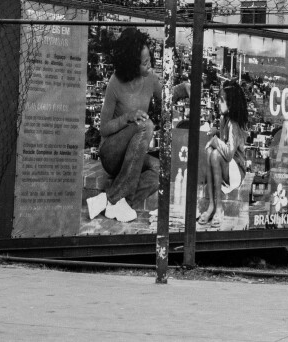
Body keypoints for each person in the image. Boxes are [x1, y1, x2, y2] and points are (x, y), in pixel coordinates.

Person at [86, 28, 188, 222]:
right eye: (145, 62)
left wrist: (184, 88)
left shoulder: (150, 79)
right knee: (146, 124)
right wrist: (128, 117)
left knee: (161, 171)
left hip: (133, 156)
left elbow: (167, 96)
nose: (150, 64)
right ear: (132, 63)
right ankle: (115, 200)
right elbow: (104, 128)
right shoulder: (115, 83)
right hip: (112, 154)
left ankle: (113, 201)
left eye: (150, 59)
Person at [198, 80, 249, 228]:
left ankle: (219, 208)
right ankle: (212, 206)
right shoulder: (224, 119)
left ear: (230, 104)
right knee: (209, 151)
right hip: (228, 168)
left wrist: (215, 140)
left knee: (215, 154)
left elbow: (228, 153)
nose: (218, 103)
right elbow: (224, 141)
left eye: (222, 101)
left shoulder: (234, 123)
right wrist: (217, 133)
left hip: (237, 172)